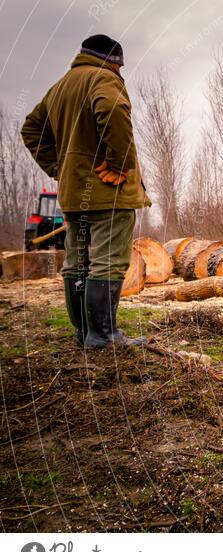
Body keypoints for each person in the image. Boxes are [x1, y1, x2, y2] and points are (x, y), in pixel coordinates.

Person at [21, 34, 150, 348]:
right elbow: (113, 107)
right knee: (107, 261)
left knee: (77, 262)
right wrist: (119, 163)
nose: (121, 73)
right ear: (114, 61)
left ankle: (84, 333)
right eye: (121, 66)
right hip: (107, 193)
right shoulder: (103, 78)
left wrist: (59, 168)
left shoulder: (60, 86)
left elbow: (30, 128)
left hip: (75, 195)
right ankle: (103, 336)